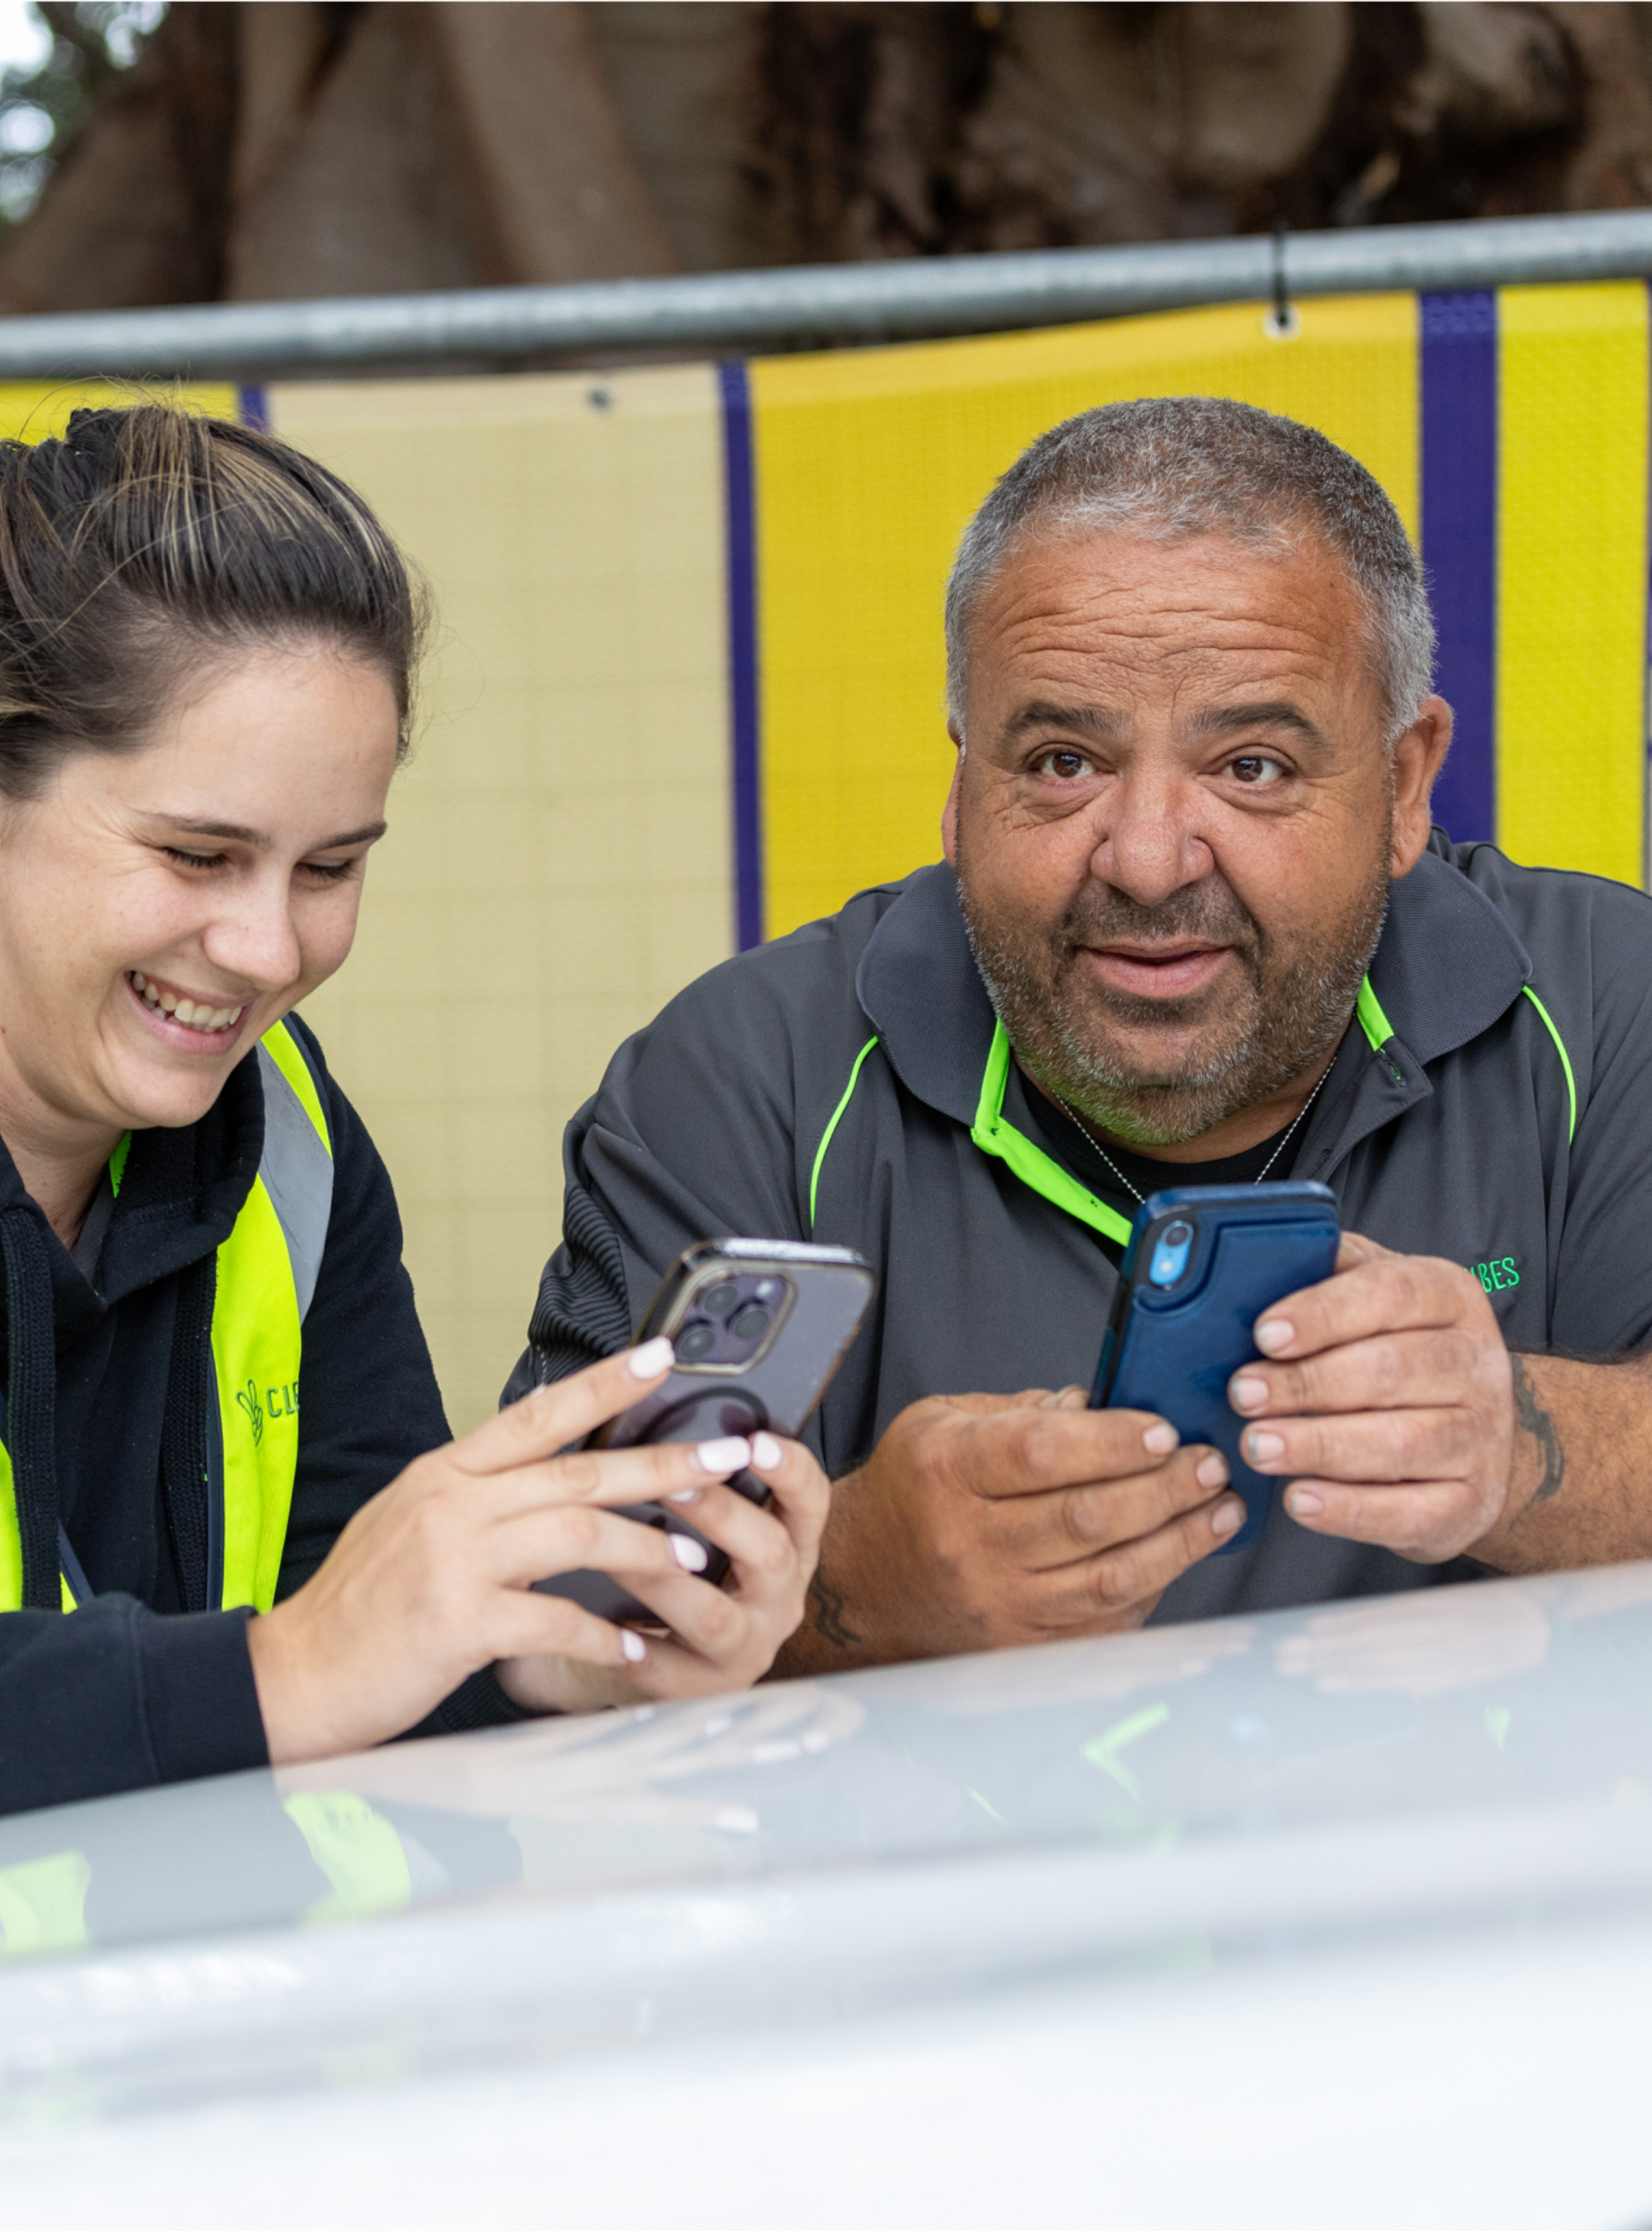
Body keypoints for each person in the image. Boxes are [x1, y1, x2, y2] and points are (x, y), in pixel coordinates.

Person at [0, 405, 829, 1915]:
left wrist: (557, 1666)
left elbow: (363, 1699)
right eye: (198, 856)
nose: (270, 951)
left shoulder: (290, 1138)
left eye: (332, 868)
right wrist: (278, 1669)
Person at [511, 394, 1652, 1675]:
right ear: (960, 789)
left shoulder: (1612, 1004)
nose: (1151, 860)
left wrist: (1527, 1446)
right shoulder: (739, 1080)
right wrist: (849, 1594)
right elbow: (538, 1654)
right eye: (1062, 761)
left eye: (1254, 765)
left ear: (1402, 783)